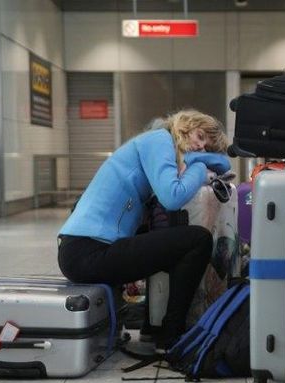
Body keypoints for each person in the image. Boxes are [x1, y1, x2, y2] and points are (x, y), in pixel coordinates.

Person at [57, 109, 231, 349]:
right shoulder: (158, 139)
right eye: (199, 136)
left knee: (170, 242)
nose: (199, 147)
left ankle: (155, 325)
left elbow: (224, 163)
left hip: (89, 248)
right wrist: (199, 167)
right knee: (197, 240)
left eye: (205, 148)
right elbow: (172, 196)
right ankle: (171, 335)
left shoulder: (158, 145)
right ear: (186, 124)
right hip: (87, 250)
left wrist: (196, 160)